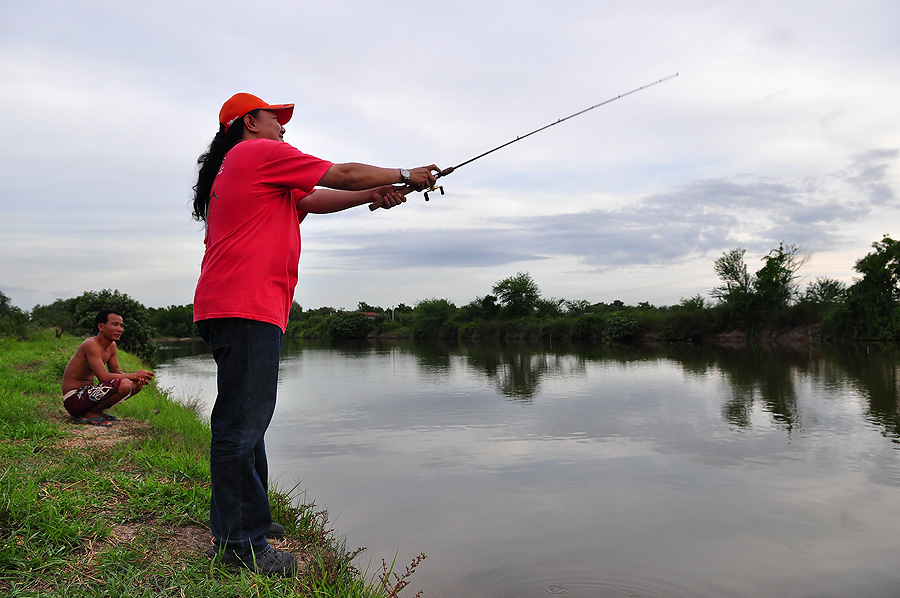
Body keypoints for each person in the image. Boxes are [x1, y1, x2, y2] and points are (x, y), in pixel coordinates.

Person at [191, 92, 441, 576]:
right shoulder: (256, 154)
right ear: (250, 123)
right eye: (275, 120)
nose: (283, 129)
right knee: (240, 427)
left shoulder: (246, 171)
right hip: (246, 308)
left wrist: (375, 194)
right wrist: (407, 174)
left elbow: (321, 198)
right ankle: (240, 546)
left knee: (247, 421)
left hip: (233, 307)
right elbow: (341, 174)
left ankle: (247, 522)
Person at [61, 309, 154, 426]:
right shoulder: (91, 345)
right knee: (125, 384)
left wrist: (137, 378)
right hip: (74, 399)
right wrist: (134, 375)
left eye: (121, 325)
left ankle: (96, 412)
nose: (120, 329)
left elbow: (116, 372)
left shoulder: (112, 346)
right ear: (101, 326)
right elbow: (103, 377)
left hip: (88, 396)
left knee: (136, 385)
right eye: (115, 324)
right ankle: (90, 413)